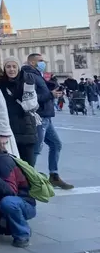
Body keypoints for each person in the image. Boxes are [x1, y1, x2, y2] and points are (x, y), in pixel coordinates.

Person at [22, 53, 73, 189]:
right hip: (39, 116)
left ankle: (54, 175)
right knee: (36, 149)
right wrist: (50, 94)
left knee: (56, 144)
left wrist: (52, 91)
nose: (43, 63)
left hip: (46, 116)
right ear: (32, 62)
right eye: (40, 60)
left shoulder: (38, 75)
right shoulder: (30, 76)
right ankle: (27, 178)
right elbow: (31, 97)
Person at [0, 57, 40, 166]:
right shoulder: (0, 84)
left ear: (18, 68)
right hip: (10, 129)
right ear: (4, 69)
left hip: (26, 128)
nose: (11, 69)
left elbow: (31, 105)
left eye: (14, 66)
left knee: (28, 167)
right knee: (12, 167)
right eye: (8, 67)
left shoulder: (28, 81)